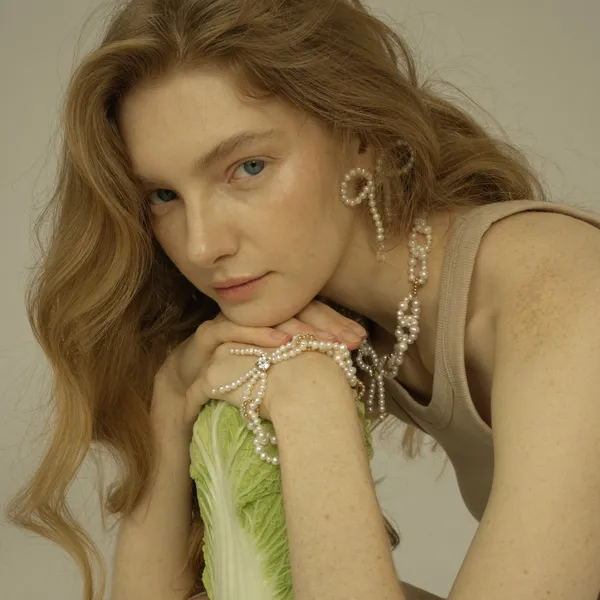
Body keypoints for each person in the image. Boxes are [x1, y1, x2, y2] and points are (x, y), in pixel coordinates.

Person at [6, 0, 600, 599]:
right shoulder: (355, 316)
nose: (202, 245)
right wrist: (172, 400)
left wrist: (311, 406)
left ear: (361, 132)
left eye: (248, 167)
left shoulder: (566, 302)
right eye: (164, 195)